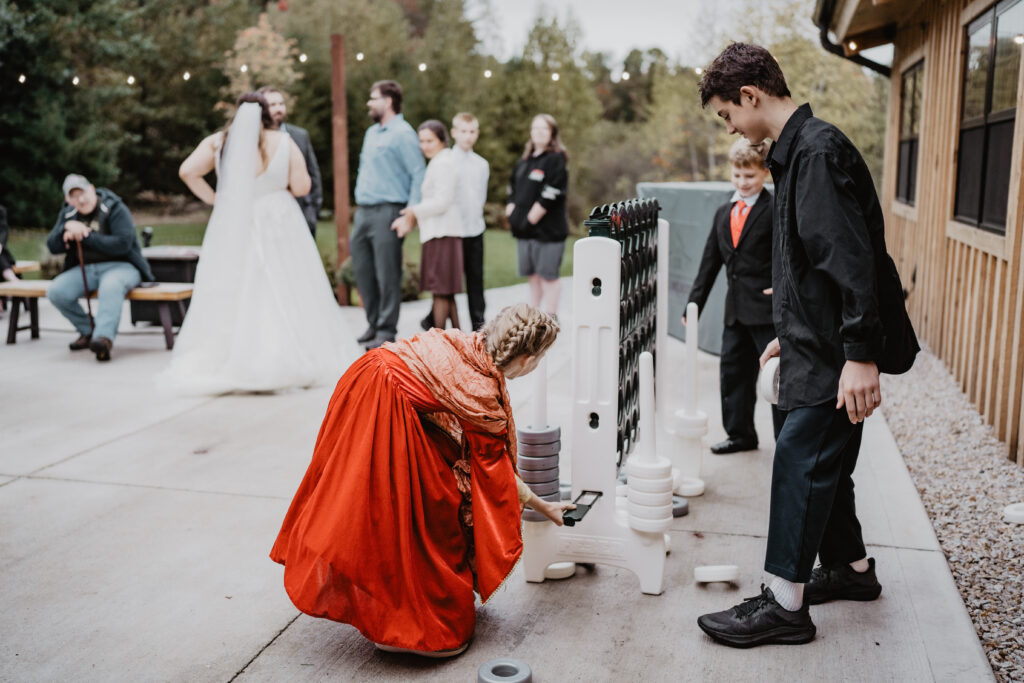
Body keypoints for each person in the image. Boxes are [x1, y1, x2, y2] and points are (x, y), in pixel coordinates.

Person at [694, 42, 891, 648]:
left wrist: (860, 354)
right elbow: (810, 265)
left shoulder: (816, 152)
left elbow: (849, 260)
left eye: (727, 113)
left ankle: (785, 604)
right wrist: (787, 328)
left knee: (800, 461)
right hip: (814, 341)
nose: (729, 124)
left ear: (750, 96)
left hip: (836, 354)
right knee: (823, 464)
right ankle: (854, 572)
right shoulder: (796, 154)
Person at [270, 303, 573, 657]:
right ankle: (407, 622)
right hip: (382, 404)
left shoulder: (467, 345)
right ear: (526, 361)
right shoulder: (481, 395)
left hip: (362, 377)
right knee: (423, 507)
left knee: (385, 501)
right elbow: (496, 475)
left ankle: (386, 606)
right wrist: (542, 505)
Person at [163, 93, 354, 394]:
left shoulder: (218, 142)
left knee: (236, 284)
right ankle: (292, 354)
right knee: (287, 284)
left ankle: (234, 355)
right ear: (267, 113)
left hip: (236, 220)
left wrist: (219, 200)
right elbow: (303, 186)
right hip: (279, 221)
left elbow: (187, 171)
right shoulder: (284, 141)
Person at [687, 137, 783, 454]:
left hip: (767, 311)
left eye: (750, 176)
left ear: (764, 173)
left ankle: (787, 441)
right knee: (732, 374)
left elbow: (787, 256)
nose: (743, 182)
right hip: (736, 311)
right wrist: (695, 302)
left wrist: (781, 285)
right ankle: (740, 434)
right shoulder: (722, 213)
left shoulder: (774, 211)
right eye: (738, 175)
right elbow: (709, 263)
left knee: (775, 376)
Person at [45, 174, 155, 362]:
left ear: (92, 189)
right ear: (68, 200)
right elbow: (52, 246)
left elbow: (122, 244)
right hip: (85, 269)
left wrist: (85, 235)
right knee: (56, 291)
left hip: (123, 266)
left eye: (84, 192)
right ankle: (89, 331)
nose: (81, 199)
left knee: (110, 286)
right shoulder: (68, 213)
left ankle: (103, 339)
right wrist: (66, 228)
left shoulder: (114, 207)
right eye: (74, 196)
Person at [351, 80, 426, 350]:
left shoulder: (403, 133)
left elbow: (418, 173)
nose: (370, 103)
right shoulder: (372, 132)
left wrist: (410, 214)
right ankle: (373, 324)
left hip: (389, 211)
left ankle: (386, 329)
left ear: (389, 101)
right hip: (364, 211)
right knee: (362, 270)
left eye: (374, 98)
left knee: (387, 273)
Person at [392, 120, 464, 330]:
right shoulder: (440, 161)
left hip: (442, 234)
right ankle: (460, 342)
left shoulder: (443, 163)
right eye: (421, 141)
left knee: (441, 291)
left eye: (429, 140)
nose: (424, 146)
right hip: (439, 233)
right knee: (445, 292)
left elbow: (442, 201)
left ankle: (439, 342)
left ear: (442, 140)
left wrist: (414, 210)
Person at [505, 114, 569, 317]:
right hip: (525, 232)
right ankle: (532, 316)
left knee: (548, 277)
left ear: (552, 134)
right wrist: (511, 208)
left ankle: (550, 317)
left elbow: (551, 193)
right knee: (533, 276)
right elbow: (512, 188)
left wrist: (530, 219)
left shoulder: (556, 160)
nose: (539, 132)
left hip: (548, 232)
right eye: (535, 128)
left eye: (544, 128)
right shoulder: (524, 162)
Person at [257, 85, 323, 238]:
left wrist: (313, 211)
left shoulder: (300, 135)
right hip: (266, 218)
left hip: (302, 214)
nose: (278, 109)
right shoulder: (255, 140)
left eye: (281, 104)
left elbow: (314, 175)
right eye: (272, 105)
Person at [451, 112, 489, 331]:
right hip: (453, 230)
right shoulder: (447, 160)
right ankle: (437, 321)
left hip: (475, 229)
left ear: (477, 134)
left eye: (472, 132)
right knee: (450, 281)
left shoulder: (481, 165)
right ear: (454, 133)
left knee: (476, 280)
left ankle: (478, 326)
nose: (467, 136)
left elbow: (480, 196)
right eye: (463, 131)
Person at [0, 204, 18, 282]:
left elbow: (4, 231)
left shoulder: (1, 210)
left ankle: (12, 280)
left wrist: (0, 243)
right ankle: (12, 279)